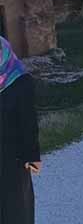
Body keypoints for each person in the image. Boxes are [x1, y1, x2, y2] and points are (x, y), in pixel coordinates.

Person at [0, 36, 40, 224]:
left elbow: (28, 122)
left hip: (12, 159)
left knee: (16, 209)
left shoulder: (20, 81)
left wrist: (32, 155)